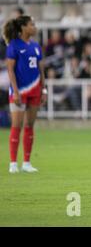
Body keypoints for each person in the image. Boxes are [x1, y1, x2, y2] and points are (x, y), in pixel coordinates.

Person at [2, 15, 47, 173]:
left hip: (35, 90)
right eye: (31, 25)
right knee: (16, 125)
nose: (34, 27)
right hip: (20, 91)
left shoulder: (35, 46)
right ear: (23, 28)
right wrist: (14, 91)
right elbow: (10, 70)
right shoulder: (13, 46)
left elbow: (41, 70)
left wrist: (44, 89)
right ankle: (13, 163)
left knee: (29, 125)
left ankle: (26, 163)